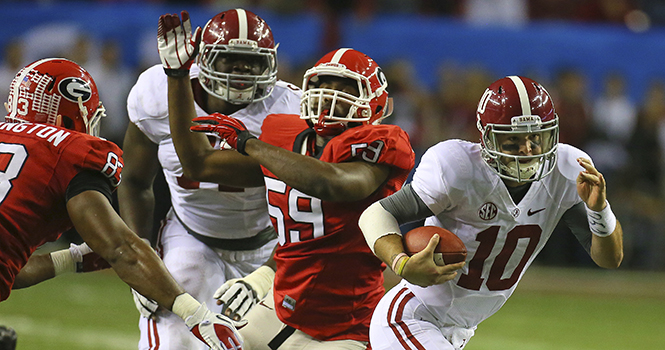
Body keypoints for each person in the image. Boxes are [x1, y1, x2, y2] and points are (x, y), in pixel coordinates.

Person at [159, 11, 415, 349]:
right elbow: (198, 165)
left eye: (346, 87)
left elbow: (334, 183)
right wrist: (177, 76)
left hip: (347, 323)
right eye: (323, 85)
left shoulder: (380, 146)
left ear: (375, 101)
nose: (330, 95)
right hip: (281, 305)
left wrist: (251, 145)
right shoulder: (284, 135)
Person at [358, 75, 624, 350]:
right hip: (412, 318)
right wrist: (401, 263)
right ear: (487, 138)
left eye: (537, 137)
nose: (528, 149)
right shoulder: (459, 169)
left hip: (458, 330)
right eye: (513, 140)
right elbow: (375, 215)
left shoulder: (568, 171)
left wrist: (599, 210)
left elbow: (610, 259)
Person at [0, 58, 243, 350]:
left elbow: (8, 269)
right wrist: (197, 316)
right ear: (72, 111)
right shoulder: (69, 149)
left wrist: (71, 259)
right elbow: (121, 248)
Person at [120, 8, 301, 350]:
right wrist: (140, 258)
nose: (242, 71)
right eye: (231, 58)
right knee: (173, 340)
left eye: (252, 62)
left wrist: (267, 274)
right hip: (190, 235)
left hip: (270, 246)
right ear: (203, 60)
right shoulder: (158, 89)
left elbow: (312, 214)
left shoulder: (289, 111)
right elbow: (134, 181)